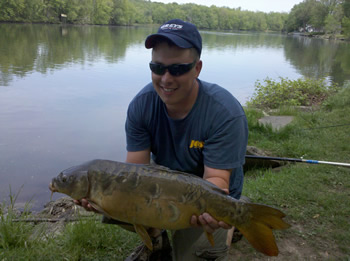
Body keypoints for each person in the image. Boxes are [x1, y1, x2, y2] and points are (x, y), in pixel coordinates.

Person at [76, 19, 248, 261]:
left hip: (212, 188)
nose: (166, 79)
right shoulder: (142, 105)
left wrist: (214, 209)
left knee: (196, 254)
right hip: (166, 179)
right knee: (114, 196)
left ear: (197, 68)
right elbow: (135, 172)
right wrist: (100, 197)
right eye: (157, 68)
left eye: (177, 69)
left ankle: (234, 220)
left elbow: (216, 179)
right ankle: (156, 238)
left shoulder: (225, 113)